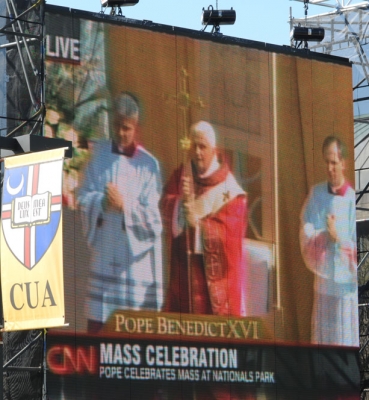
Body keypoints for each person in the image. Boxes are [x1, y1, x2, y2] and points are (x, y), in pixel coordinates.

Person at [78, 92, 163, 333]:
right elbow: (82, 196)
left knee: (129, 331)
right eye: (117, 126)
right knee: (99, 329)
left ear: (136, 127)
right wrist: (101, 203)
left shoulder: (148, 165)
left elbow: (154, 222)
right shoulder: (98, 156)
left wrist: (125, 207)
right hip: (105, 255)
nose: (121, 133)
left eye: (126, 128)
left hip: (132, 265)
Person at [162, 121, 247, 316]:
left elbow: (230, 238)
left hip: (211, 287)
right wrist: (179, 206)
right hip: (182, 277)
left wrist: (198, 227)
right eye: (194, 146)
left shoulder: (230, 191)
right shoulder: (182, 175)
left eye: (203, 147)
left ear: (214, 150)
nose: (198, 153)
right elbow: (163, 204)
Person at [300, 136, 358, 346]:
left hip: (345, 288)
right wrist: (320, 236)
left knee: (344, 342)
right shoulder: (316, 195)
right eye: (327, 162)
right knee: (324, 345)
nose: (330, 168)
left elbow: (360, 245)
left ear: (343, 163)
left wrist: (338, 239)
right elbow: (306, 228)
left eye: (334, 162)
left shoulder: (353, 200)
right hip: (325, 284)